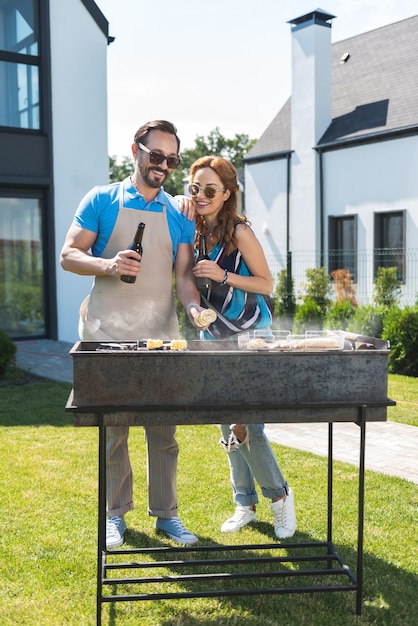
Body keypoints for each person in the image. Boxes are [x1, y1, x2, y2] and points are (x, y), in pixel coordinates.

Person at [60, 120, 206, 549]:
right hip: (107, 331)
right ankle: (114, 515)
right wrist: (107, 264)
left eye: (172, 160)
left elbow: (182, 278)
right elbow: (69, 254)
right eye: (156, 155)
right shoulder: (102, 200)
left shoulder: (178, 214)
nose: (163, 165)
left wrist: (194, 305)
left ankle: (167, 516)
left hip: (160, 332)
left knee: (163, 429)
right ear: (135, 151)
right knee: (115, 429)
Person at [188, 155, 297, 539]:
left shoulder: (240, 231)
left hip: (251, 336)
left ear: (227, 193)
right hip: (213, 338)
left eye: (210, 190)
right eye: (195, 188)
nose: (201, 195)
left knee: (247, 423)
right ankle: (244, 503)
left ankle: (280, 498)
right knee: (226, 423)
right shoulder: (196, 230)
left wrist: (223, 275)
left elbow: (267, 284)